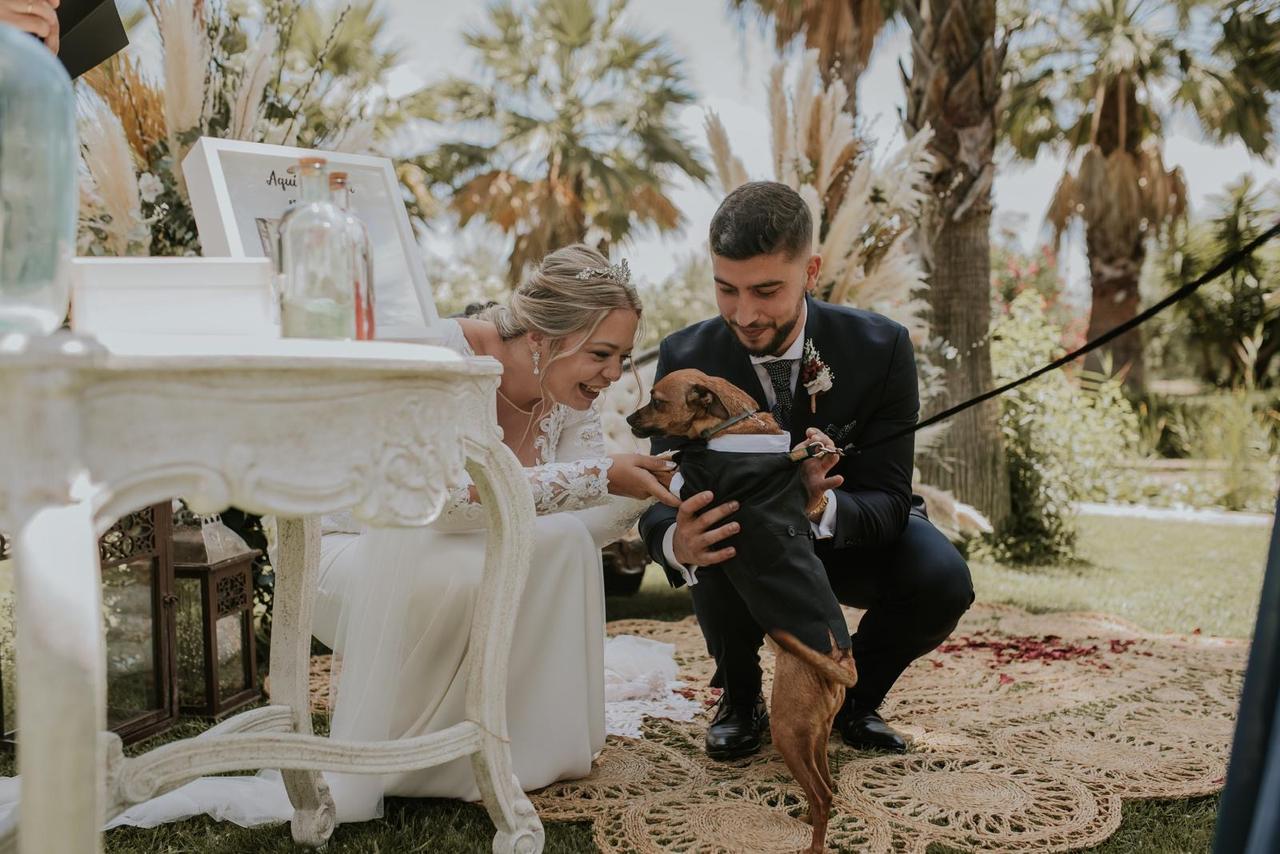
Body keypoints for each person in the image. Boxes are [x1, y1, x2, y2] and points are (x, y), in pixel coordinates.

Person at [87, 245, 682, 831]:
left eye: (623, 357)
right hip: (353, 547)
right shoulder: (441, 354)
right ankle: (438, 762)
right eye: (602, 353)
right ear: (544, 336)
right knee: (541, 544)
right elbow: (443, 501)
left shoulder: (565, 397)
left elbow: (578, 514)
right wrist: (600, 476)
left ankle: (521, 748)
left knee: (559, 544)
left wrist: (644, 492)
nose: (613, 375)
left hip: (458, 551)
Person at [638, 181, 975, 759]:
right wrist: (673, 539)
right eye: (726, 289)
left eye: (767, 290)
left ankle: (852, 699)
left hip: (841, 536)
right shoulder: (685, 356)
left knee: (943, 578)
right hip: (745, 542)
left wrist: (817, 505)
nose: (744, 313)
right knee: (710, 525)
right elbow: (656, 490)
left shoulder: (882, 346)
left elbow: (892, 498)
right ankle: (740, 698)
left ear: (810, 271)